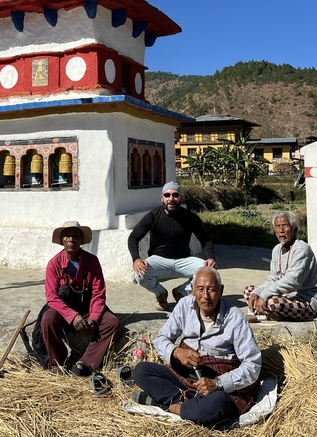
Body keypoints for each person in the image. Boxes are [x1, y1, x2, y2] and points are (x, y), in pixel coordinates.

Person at [131, 266, 262, 427]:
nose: (205, 296)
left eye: (211, 290)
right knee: (141, 371)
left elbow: (253, 365)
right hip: (188, 375)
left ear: (221, 290)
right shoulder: (184, 306)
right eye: (200, 289)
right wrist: (177, 352)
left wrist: (218, 383)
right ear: (192, 290)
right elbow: (161, 339)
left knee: (214, 406)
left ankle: (171, 406)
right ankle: (187, 405)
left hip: (217, 384)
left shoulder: (235, 318)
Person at [40, 221, 121, 375]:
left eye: (76, 236)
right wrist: (72, 316)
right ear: (62, 240)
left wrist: (94, 318)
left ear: (82, 240)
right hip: (64, 311)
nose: (72, 239)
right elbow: (52, 297)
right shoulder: (54, 264)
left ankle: (86, 363)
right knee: (47, 319)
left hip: (87, 307)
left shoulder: (92, 261)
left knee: (113, 323)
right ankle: (57, 364)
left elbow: (98, 293)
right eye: (67, 236)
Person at [128, 181, 217, 311]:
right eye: (167, 195)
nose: (171, 199)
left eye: (175, 195)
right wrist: (136, 259)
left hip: (183, 260)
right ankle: (160, 294)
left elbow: (206, 240)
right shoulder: (153, 216)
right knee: (140, 275)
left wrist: (211, 257)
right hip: (159, 260)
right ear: (162, 198)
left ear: (181, 198)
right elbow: (133, 237)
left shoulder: (190, 217)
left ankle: (181, 291)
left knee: (210, 272)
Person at [243, 211, 317, 321]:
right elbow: (274, 278)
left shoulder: (301, 249)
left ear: (294, 229)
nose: (281, 230)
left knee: (273, 303)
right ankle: (266, 312)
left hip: (306, 301)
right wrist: (258, 293)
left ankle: (264, 313)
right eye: (277, 227)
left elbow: (292, 282)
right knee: (249, 291)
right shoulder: (277, 249)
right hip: (285, 297)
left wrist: (265, 294)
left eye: (285, 226)